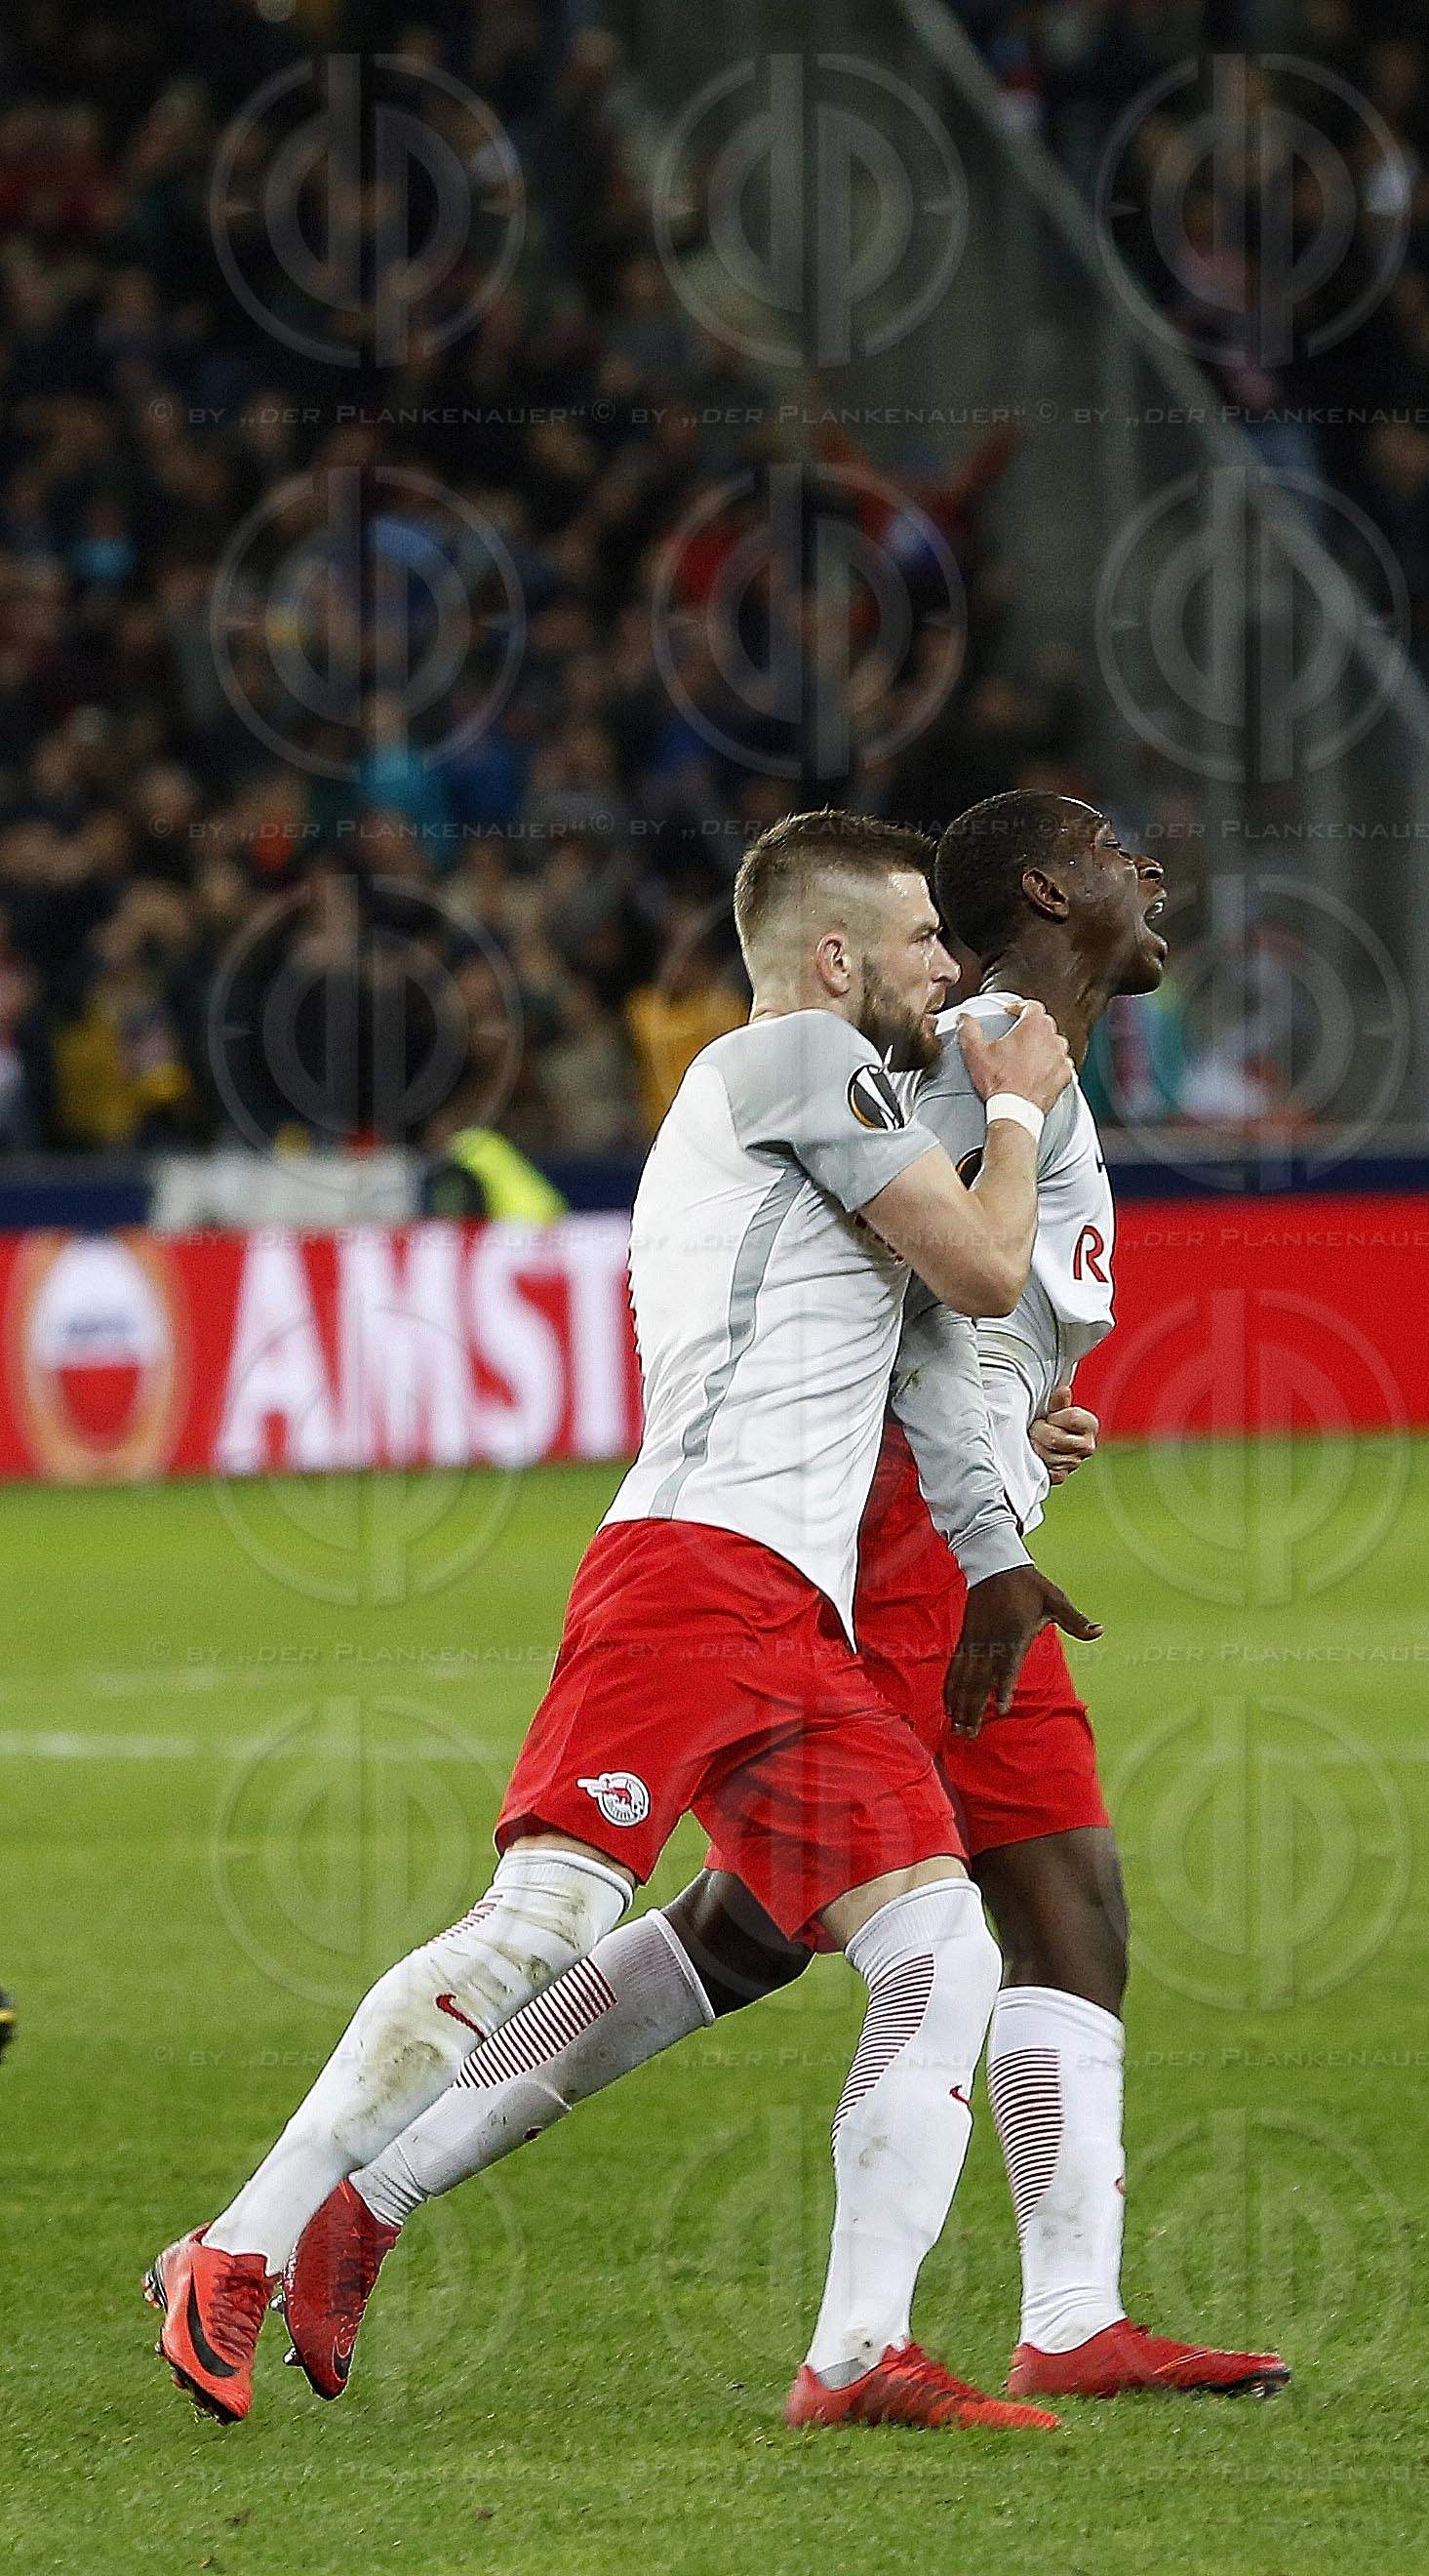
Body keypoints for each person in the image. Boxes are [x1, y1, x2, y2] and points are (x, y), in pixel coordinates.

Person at [280, 794, 1287, 2404]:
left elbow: (971, 1331)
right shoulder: (957, 1064)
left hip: (954, 1537)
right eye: (1117, 852)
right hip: (892, 1551)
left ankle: (1068, 2318)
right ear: (1045, 889)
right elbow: (923, 1301)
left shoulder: (1035, 1071)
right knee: (805, 1927)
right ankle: (371, 2199)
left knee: (975, 1917)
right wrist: (986, 1527)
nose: (1154, 872)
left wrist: (1024, 1431)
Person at [151, 812, 1077, 2433]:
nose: (953, 966)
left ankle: (857, 2353)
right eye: (926, 938)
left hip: (798, 1617)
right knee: (542, 1927)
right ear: (836, 960)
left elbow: (940, 1350)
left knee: (939, 1942)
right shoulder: (791, 1054)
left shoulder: (854, 1118)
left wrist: (1009, 1473)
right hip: (689, 1577)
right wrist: (1016, 1106)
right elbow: (993, 1273)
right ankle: (239, 2244)